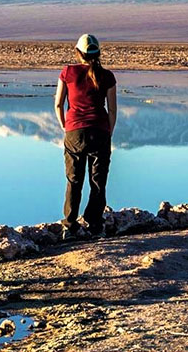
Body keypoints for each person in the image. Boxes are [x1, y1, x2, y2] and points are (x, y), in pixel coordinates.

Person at [54, 34, 117, 240]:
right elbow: (113, 110)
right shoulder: (107, 76)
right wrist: (109, 132)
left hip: (74, 132)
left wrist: (66, 126)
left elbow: (58, 104)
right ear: (98, 53)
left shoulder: (68, 73)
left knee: (74, 179)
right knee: (98, 181)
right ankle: (94, 223)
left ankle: (70, 224)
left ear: (78, 52)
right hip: (100, 131)